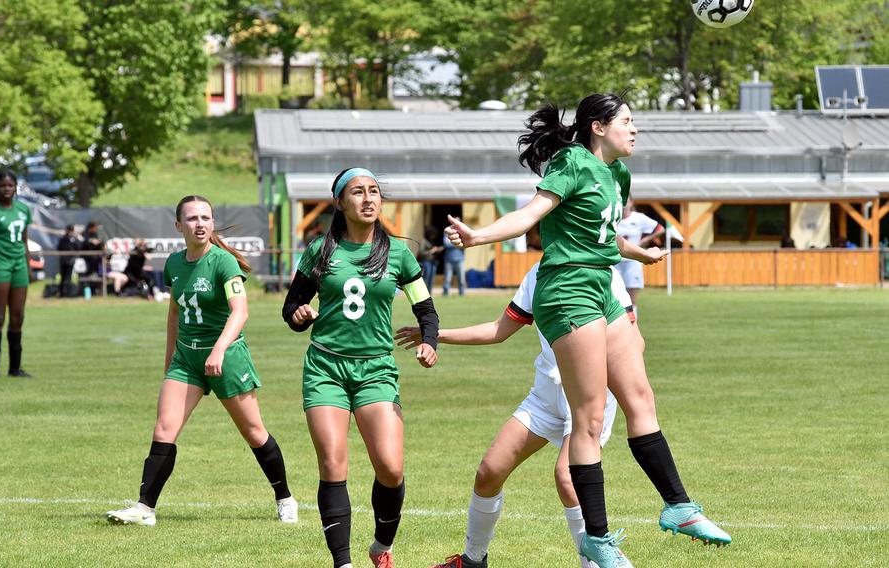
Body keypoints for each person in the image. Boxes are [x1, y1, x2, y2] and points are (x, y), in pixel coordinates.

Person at [444, 94, 729, 567]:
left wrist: (640, 255)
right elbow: (530, 215)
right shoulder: (571, 160)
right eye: (627, 122)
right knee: (590, 419)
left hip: (600, 284)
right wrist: (479, 235)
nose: (635, 130)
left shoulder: (617, 174)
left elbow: (603, 235)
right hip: (566, 290)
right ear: (598, 127)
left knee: (641, 398)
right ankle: (596, 538)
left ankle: (678, 507)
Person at [397, 264, 639, 568]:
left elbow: (632, 341)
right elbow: (499, 329)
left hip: (590, 394)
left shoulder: (604, 273)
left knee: (567, 478)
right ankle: (472, 562)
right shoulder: (538, 273)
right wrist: (435, 335)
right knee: (489, 471)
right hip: (547, 394)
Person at [106, 195, 297, 527]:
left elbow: (241, 311)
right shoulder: (174, 263)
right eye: (192, 218)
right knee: (164, 429)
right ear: (179, 226)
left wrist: (220, 349)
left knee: (254, 432)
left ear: (212, 223)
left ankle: (285, 497)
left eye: (206, 218)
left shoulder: (223, 262)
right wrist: (170, 358)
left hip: (228, 357)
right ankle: (145, 509)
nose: (200, 224)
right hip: (187, 357)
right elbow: (174, 313)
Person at [283, 167, 440, 568]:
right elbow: (291, 306)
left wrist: (429, 342)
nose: (368, 198)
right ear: (340, 202)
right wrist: (300, 314)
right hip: (326, 369)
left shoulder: (400, 254)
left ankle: (381, 545)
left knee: (390, 467)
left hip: (375, 370)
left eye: (374, 191)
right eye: (357, 192)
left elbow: (425, 309)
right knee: (333, 462)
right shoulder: (319, 250)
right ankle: (343, 563)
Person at [0, 170, 33, 378]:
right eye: (3, 186)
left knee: (18, 317)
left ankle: (15, 368)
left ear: (16, 187)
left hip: (19, 265)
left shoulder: (22, 209)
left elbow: (24, 240)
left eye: (10, 186)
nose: (7, 189)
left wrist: (28, 265)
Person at [614, 198, 663, 310]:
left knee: (631, 300)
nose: (624, 205)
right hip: (615, 262)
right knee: (615, 299)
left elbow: (660, 229)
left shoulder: (638, 218)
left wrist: (644, 241)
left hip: (632, 262)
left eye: (626, 201)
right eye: (621, 201)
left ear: (631, 202)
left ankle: (632, 324)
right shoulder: (613, 218)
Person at [418, 225, 443, 292]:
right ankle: (424, 293)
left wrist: (437, 250)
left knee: (431, 279)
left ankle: (429, 293)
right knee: (426, 278)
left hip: (433, 261)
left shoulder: (431, 241)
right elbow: (421, 252)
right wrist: (431, 251)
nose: (434, 236)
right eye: (433, 235)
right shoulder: (423, 241)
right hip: (426, 261)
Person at [56, 224, 79, 298]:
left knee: (67, 277)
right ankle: (62, 293)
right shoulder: (64, 238)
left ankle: (66, 293)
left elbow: (78, 247)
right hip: (65, 260)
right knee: (64, 277)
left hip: (69, 260)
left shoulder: (72, 239)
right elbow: (59, 248)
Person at [442, 230, 465, 296]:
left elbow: (464, 243)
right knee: (447, 278)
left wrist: (452, 243)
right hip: (449, 260)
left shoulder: (462, 233)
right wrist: (458, 243)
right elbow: (446, 244)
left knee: (461, 279)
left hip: (460, 259)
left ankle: (462, 293)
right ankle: (446, 293)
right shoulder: (447, 233)